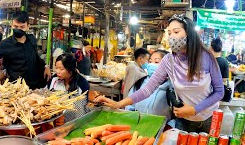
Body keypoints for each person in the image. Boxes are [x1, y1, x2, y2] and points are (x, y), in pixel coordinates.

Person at [95, 14, 224, 133]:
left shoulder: (206, 57)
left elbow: (219, 91)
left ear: (189, 33)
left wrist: (195, 109)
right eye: (169, 33)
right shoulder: (169, 61)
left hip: (209, 118)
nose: (172, 36)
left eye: (176, 32)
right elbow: (147, 89)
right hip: (184, 120)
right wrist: (119, 104)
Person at [126, 50, 172, 120]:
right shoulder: (140, 83)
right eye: (150, 61)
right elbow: (129, 106)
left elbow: (178, 114)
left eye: (156, 62)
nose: (151, 65)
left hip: (161, 128)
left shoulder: (171, 87)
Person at [47, 53, 89, 121]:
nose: (57, 71)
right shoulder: (54, 80)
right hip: (57, 122)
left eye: (61, 69)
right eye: (56, 68)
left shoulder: (82, 83)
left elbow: (83, 106)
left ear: (71, 68)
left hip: (76, 121)